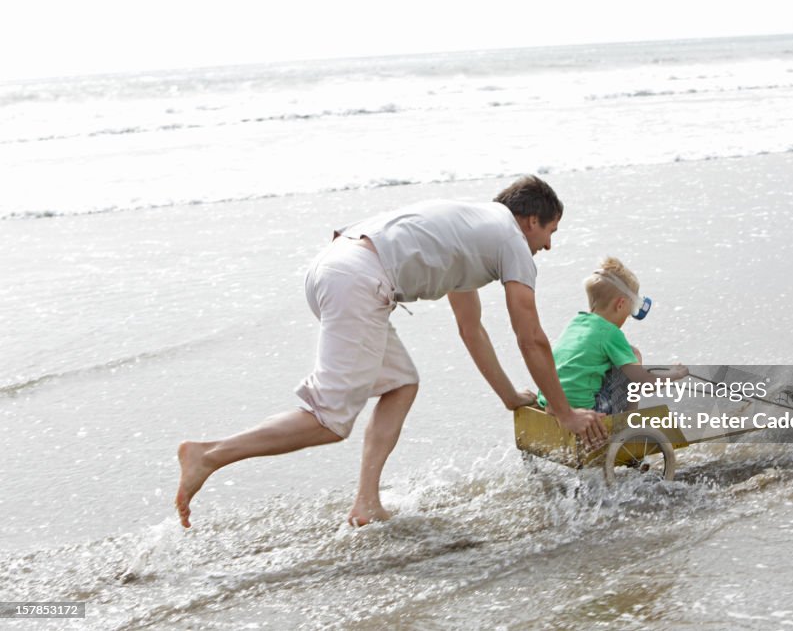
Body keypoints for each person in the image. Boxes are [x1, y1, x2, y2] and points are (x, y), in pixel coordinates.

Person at [175, 176, 608, 528]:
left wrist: (510, 396)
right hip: (358, 281)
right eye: (551, 232)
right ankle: (210, 454)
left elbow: (470, 328)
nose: (548, 245)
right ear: (531, 221)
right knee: (329, 420)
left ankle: (366, 504)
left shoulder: (474, 229)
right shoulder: (510, 240)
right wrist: (566, 413)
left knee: (400, 383)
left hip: (336, 266)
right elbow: (530, 336)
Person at [538, 257, 688, 414]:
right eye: (631, 309)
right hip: (584, 410)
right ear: (620, 304)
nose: (629, 316)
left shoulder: (576, 323)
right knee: (633, 354)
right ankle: (628, 420)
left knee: (611, 361)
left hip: (550, 403)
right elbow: (645, 383)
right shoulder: (611, 333)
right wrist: (674, 374)